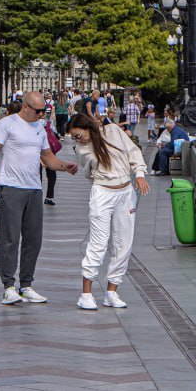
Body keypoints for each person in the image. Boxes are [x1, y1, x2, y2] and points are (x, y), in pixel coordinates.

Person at [0, 91, 78, 306]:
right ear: (25, 106)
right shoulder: (6, 124)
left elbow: (47, 157)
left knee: (33, 239)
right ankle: (8, 287)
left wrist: (65, 167)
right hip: (12, 188)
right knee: (10, 239)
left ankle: (26, 285)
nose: (41, 114)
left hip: (35, 189)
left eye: (44, 111)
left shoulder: (40, 128)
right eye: (38, 111)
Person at [68, 114, 149, 310]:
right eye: (74, 138)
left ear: (87, 127)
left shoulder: (113, 130)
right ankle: (86, 293)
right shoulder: (82, 149)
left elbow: (133, 152)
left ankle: (112, 291)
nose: (77, 140)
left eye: (78, 135)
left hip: (125, 191)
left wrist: (139, 174)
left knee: (124, 242)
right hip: (102, 192)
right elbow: (88, 172)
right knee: (99, 241)